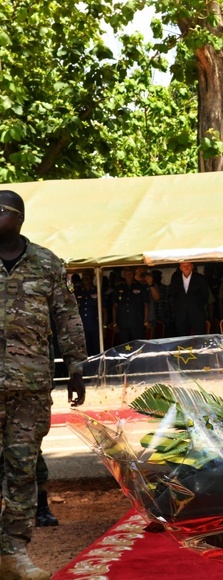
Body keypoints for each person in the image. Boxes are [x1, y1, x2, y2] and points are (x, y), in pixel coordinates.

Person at [0, 190, 86, 580]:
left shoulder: (46, 263)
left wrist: (77, 365)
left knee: (22, 471)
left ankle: (14, 553)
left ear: (18, 217)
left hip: (30, 386)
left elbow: (66, 315)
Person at [168, 262, 211, 336]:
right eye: (184, 266)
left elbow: (205, 296)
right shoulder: (176, 279)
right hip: (181, 315)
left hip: (197, 314)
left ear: (192, 266)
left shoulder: (200, 278)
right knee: (183, 338)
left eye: (188, 265)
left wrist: (195, 305)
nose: (186, 267)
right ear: (180, 268)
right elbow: (173, 296)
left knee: (200, 337)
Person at [112, 267, 149, 344]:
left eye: (130, 273)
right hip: (123, 323)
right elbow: (115, 306)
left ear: (134, 274)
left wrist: (145, 321)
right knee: (125, 346)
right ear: (124, 274)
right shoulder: (118, 287)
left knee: (138, 345)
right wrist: (115, 323)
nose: (128, 275)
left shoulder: (141, 287)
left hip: (137, 322)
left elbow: (146, 305)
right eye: (127, 273)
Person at [74, 270, 102, 356]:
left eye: (88, 277)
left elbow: (103, 310)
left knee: (96, 348)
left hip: (95, 324)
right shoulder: (77, 291)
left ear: (92, 278)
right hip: (82, 324)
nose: (86, 279)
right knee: (85, 348)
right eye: (84, 277)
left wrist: (103, 326)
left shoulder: (97, 290)